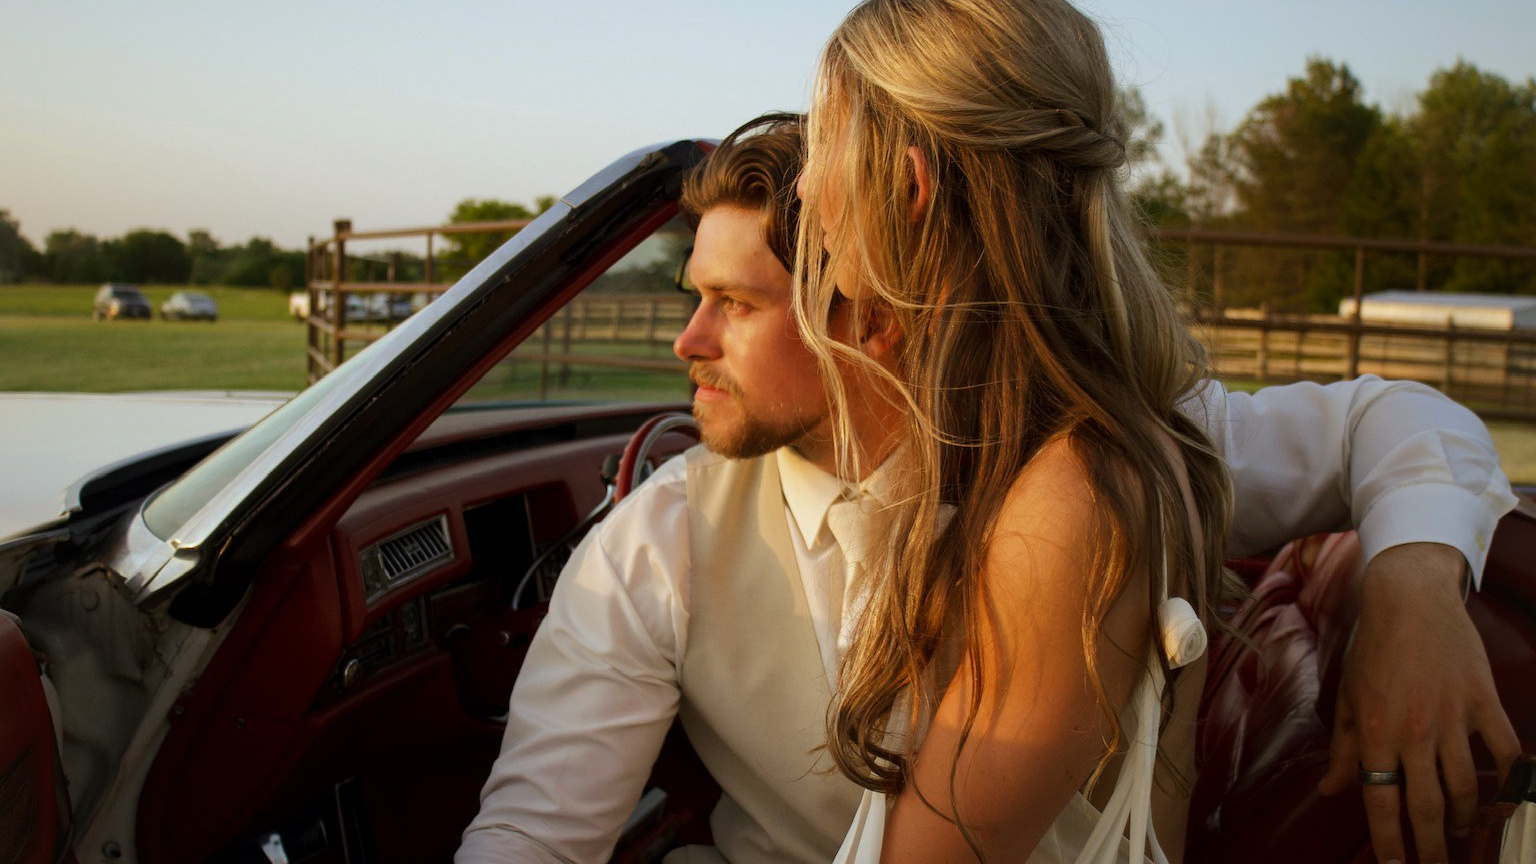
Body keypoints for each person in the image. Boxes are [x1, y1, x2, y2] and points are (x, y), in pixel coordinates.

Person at [455, 115, 1518, 864]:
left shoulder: (1122, 453)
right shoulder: (654, 546)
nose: (689, 343)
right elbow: (535, 840)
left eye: (735, 304)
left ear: (863, 309)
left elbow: (1399, 420)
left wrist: (1416, 593)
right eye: (696, 298)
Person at [790, 2, 1522, 862]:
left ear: (909, 186)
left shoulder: (1080, 485)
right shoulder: (1017, 437)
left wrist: (1414, 593)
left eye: (821, 146)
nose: (803, 187)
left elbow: (1388, 416)